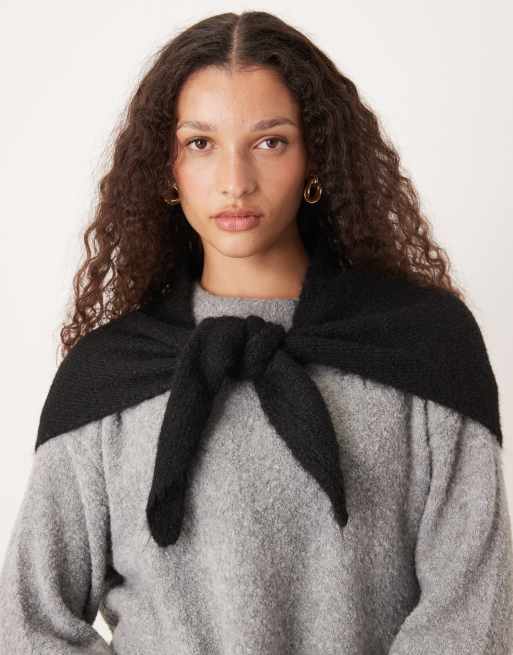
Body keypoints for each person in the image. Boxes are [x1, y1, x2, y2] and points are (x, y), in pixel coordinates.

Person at [1, 9, 512, 655]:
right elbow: (29, 622)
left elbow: (473, 615)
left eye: (270, 142)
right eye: (200, 143)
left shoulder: (423, 348)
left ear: (314, 157)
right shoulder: (110, 374)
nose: (235, 182)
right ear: (166, 169)